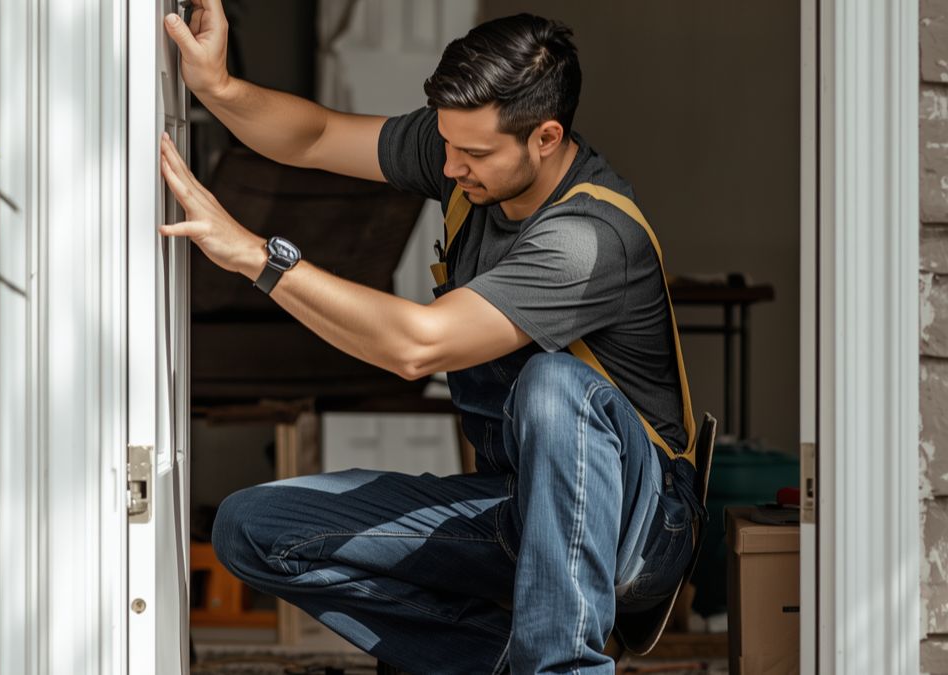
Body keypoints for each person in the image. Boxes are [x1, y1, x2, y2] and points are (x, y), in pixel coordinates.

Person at [158, 4, 702, 673]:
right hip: (515, 508)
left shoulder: (586, 239)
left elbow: (415, 346)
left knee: (555, 384)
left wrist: (255, 256)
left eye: (474, 153)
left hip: (635, 525)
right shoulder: (462, 156)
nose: (450, 165)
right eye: (446, 143)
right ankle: (494, 660)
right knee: (253, 528)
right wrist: (217, 88)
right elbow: (316, 136)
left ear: (546, 137)